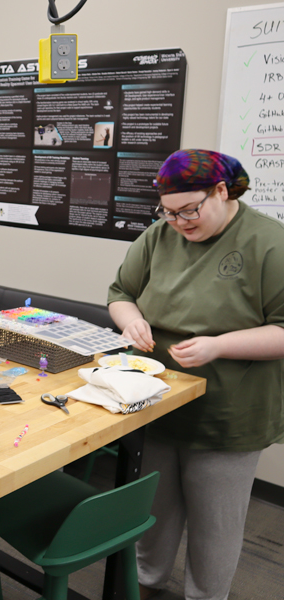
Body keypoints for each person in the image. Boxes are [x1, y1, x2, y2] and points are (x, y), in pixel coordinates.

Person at [107, 149, 284, 600]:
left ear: (221, 191)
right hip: (159, 397)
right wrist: (130, 320)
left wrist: (219, 346)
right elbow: (121, 292)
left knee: (215, 524)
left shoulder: (269, 243)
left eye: (189, 210)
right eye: (168, 213)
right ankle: (147, 584)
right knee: (156, 512)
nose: (180, 223)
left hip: (230, 409)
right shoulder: (159, 236)